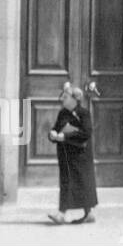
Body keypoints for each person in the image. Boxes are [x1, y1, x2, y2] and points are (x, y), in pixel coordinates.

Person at [48, 84, 97, 225]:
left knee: (82, 182)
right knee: (67, 183)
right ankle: (68, 214)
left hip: (80, 155)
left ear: (75, 99)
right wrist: (52, 134)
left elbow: (86, 133)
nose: (62, 99)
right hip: (66, 155)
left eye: (65, 96)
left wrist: (65, 137)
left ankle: (84, 213)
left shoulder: (84, 113)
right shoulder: (62, 113)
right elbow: (56, 128)